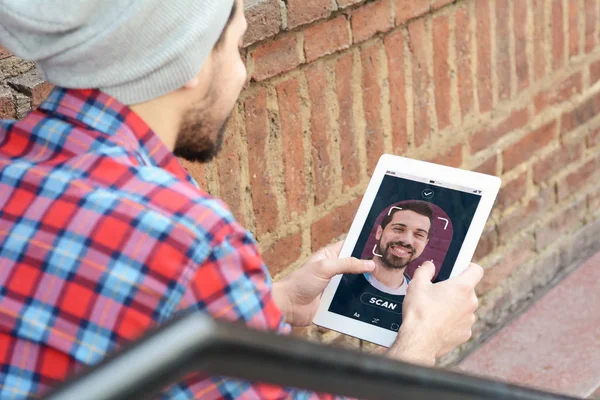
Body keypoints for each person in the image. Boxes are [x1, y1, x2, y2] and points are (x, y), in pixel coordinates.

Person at [0, 1, 483, 399]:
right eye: (235, 45)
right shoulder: (189, 236)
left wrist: (272, 303)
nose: (241, 74)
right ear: (187, 62)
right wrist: (419, 346)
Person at [369, 201, 434, 295]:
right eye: (398, 229)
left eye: (419, 235)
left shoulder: (418, 298)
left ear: (425, 244)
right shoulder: (345, 275)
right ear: (379, 232)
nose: (407, 241)